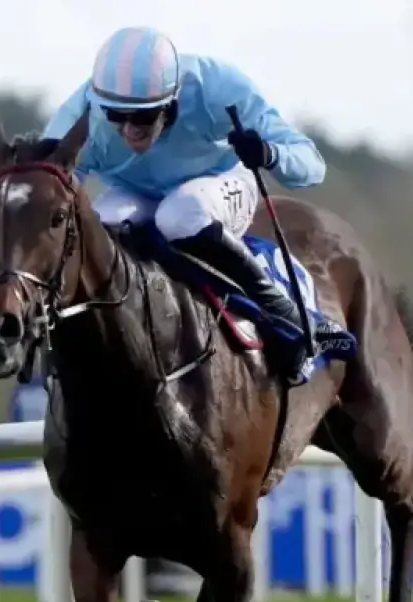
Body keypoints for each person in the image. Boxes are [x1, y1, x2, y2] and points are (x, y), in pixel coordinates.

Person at [42, 26, 329, 382]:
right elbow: (47, 186)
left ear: (171, 103)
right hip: (138, 194)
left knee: (179, 214)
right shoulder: (82, 112)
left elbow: (311, 166)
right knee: (101, 222)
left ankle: (279, 309)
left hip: (220, 184)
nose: (129, 130)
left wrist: (269, 153)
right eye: (116, 116)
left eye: (143, 117)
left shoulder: (218, 87)